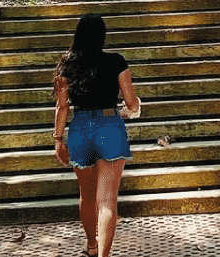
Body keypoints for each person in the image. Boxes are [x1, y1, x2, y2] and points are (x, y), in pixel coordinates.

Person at [53, 14, 140, 257]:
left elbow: (62, 107)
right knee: (107, 201)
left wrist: (58, 139)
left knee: (87, 197)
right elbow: (131, 103)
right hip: (110, 125)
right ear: (102, 35)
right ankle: (103, 255)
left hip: (80, 128)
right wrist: (130, 109)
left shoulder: (67, 65)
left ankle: (91, 245)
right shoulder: (116, 61)